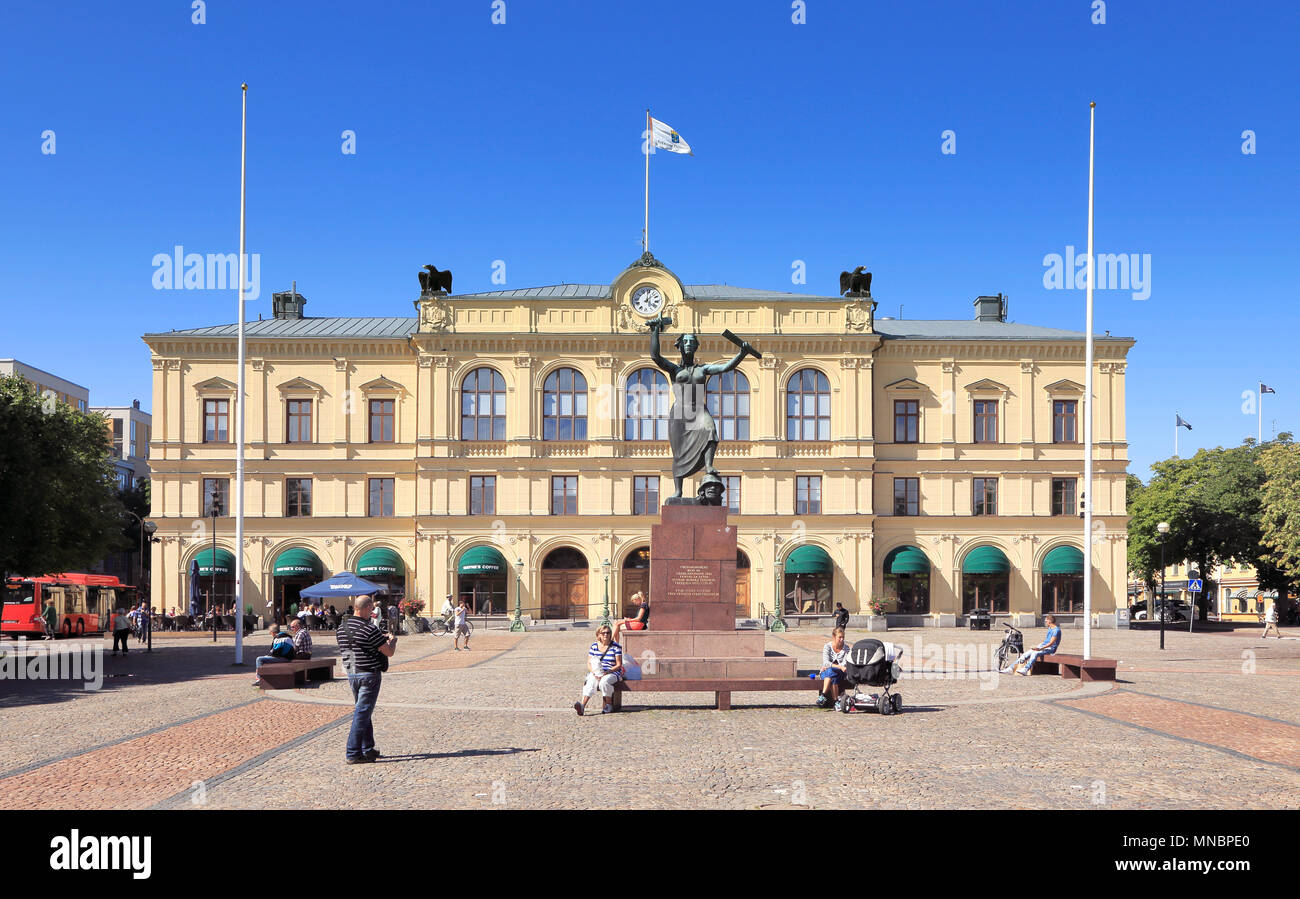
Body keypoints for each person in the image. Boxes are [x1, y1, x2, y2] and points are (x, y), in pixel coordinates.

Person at [647, 322, 754, 500]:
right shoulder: (675, 369)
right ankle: (678, 491)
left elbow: (725, 367)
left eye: (692, 342)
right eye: (686, 342)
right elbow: (655, 356)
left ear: (696, 347)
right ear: (680, 346)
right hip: (680, 413)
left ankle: (708, 465)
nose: (689, 344)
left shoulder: (703, 369)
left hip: (698, 410)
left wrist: (741, 354)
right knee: (679, 453)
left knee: (710, 429)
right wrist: (655, 331)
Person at [336, 596, 397, 764]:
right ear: (367, 607)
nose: (372, 612)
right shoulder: (370, 629)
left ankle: (368, 748)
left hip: (352, 672)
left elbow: (349, 649)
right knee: (362, 713)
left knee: (363, 710)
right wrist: (392, 641)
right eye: (371, 609)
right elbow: (388, 652)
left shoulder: (341, 628)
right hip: (369, 674)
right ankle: (353, 752)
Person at [575, 624, 623, 715]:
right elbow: (589, 663)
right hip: (596, 671)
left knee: (604, 682)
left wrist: (608, 671)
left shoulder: (616, 647)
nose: (606, 635)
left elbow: (619, 665)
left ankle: (608, 705)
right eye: (603, 633)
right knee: (590, 681)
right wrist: (594, 672)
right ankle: (582, 706)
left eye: (608, 633)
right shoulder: (594, 646)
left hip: (612, 671)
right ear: (598, 635)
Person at [816, 626, 850, 707]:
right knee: (831, 675)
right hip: (828, 672)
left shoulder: (846, 648)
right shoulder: (827, 647)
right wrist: (838, 666)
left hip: (840, 673)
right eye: (840, 637)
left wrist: (834, 666)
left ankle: (823, 696)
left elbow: (845, 664)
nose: (842, 639)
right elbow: (825, 662)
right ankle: (836, 702)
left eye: (843, 637)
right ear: (834, 637)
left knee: (830, 672)